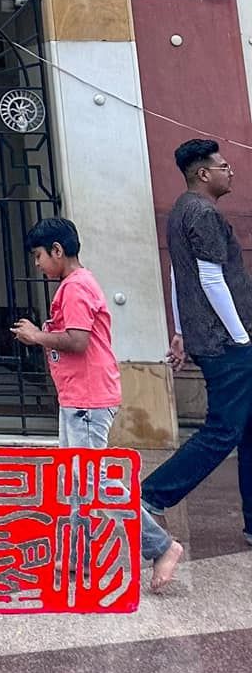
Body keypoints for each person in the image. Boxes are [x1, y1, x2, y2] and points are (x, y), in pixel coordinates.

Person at [15, 216, 183, 591]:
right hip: (79, 396)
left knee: (95, 483)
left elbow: (77, 341)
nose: (38, 264)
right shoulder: (75, 285)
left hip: (87, 399)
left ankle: (161, 547)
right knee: (80, 481)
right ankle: (78, 555)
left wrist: (37, 336)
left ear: (58, 251)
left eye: (40, 256)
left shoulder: (75, 288)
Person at [140, 138, 252, 546]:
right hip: (227, 342)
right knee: (223, 430)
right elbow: (209, 278)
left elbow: (176, 275)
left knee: (248, 429)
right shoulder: (202, 213)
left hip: (211, 336)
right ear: (203, 173)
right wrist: (241, 336)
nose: (230, 171)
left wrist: (182, 330)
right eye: (224, 166)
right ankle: (151, 494)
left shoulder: (180, 212)